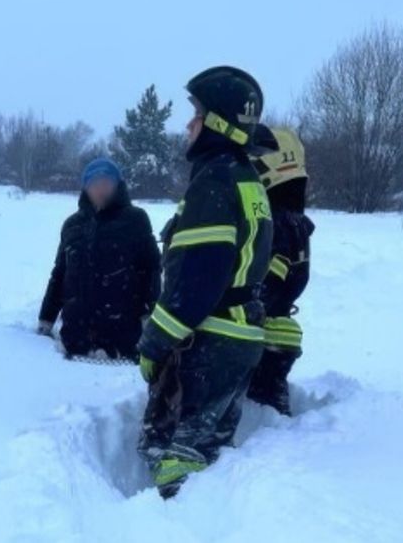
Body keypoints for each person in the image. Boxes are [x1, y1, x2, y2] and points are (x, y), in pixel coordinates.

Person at [137, 66, 273, 499]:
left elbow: (194, 283)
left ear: (218, 123)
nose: (188, 124)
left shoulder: (214, 182)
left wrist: (153, 344)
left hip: (209, 345)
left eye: (195, 113)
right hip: (238, 338)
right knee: (206, 462)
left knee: (175, 461)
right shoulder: (246, 179)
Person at [39, 157, 161, 362]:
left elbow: (152, 270)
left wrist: (151, 315)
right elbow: (59, 275)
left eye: (106, 183)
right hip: (75, 342)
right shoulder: (72, 225)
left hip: (123, 346)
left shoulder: (136, 219)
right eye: (93, 184)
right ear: (85, 187)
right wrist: (46, 318)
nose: (100, 189)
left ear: (117, 185)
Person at [246, 126, 315, 415]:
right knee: (269, 405)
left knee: (260, 407)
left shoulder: (277, 224)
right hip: (277, 337)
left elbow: (267, 285)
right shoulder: (295, 222)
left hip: (263, 340)